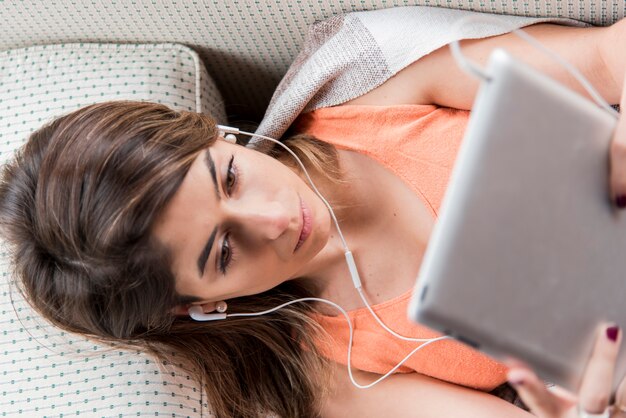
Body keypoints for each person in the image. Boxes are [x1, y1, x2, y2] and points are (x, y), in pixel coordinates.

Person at [1, 18, 625, 418]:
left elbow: (602, 58)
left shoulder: (367, 93)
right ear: (195, 307)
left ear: (216, 135)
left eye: (230, 177)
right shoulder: (340, 375)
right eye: (223, 253)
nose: (274, 218)